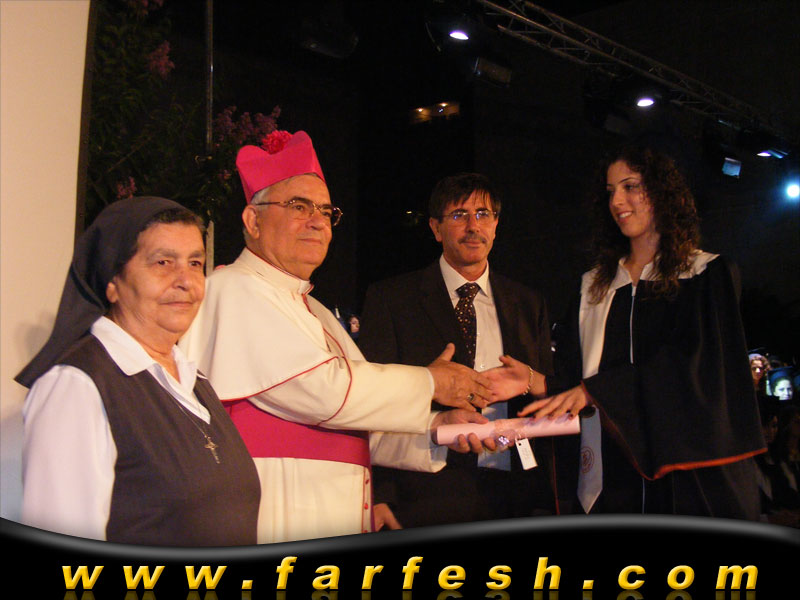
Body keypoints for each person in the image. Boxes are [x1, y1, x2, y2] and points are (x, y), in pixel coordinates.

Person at [179, 131, 514, 543]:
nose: (317, 221)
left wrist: (436, 427)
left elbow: (359, 419)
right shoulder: (234, 288)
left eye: (325, 210)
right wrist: (431, 383)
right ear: (253, 221)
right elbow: (322, 390)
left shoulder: (315, 311)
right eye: (298, 206)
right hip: (275, 514)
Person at [519, 142, 765, 519]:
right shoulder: (594, 288)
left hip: (690, 477)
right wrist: (531, 380)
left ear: (662, 192)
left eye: (631, 186)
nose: (617, 201)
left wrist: (597, 391)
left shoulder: (706, 275)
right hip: (611, 475)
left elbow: (701, 372)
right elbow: (576, 381)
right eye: (610, 191)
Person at [16, 197, 260, 546]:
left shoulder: (194, 382)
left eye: (195, 263)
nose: (185, 281)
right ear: (112, 281)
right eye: (163, 262)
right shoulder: (79, 386)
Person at [358, 173, 565, 528]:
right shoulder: (392, 299)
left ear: (496, 225)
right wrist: (380, 497)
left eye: (483, 214)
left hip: (515, 494)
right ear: (435, 228)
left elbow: (549, 394)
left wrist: (531, 379)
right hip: (424, 495)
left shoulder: (528, 303)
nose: (473, 226)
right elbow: (372, 403)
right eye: (459, 215)